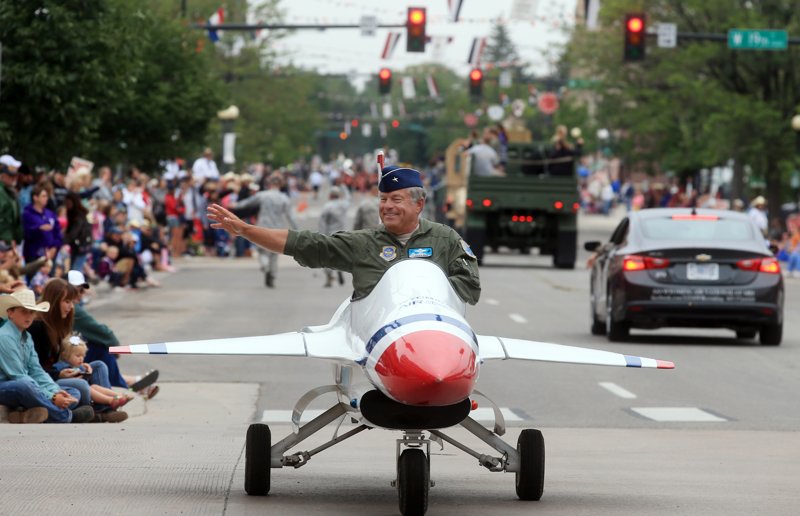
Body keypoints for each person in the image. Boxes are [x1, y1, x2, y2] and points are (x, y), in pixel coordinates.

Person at [208, 165, 481, 305]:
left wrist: (424, 294)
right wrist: (246, 230)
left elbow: (470, 287)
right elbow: (304, 243)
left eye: (396, 199)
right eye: (383, 199)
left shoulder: (445, 239)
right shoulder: (364, 242)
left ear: (418, 204)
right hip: (380, 338)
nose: (387, 207)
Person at [0, 289, 95, 423]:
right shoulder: (4, 337)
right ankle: (66, 416)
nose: (28, 316)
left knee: (73, 393)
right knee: (24, 385)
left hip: (26, 387)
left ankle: (25, 413)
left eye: (32, 312)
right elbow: (18, 375)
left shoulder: (27, 337)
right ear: (10, 312)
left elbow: (37, 370)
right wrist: (52, 397)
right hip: (7, 386)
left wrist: (56, 392)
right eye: (24, 311)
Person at [68, 270, 160, 398]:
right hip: (60, 360)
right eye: (77, 290)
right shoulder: (72, 308)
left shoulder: (69, 306)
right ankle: (126, 386)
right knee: (101, 348)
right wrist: (114, 346)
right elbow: (100, 330)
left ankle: (129, 382)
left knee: (98, 350)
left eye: (82, 291)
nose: (80, 295)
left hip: (65, 354)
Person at [230, 172, 298, 288]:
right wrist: (296, 230)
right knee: (275, 253)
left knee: (262, 250)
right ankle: (272, 274)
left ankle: (265, 266)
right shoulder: (284, 198)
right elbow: (290, 216)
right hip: (277, 228)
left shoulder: (263, 195)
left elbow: (248, 203)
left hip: (263, 225)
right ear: (281, 184)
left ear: (269, 183)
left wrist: (235, 205)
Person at [53, 334, 133, 414]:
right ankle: (110, 401)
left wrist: (87, 371)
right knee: (89, 387)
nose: (81, 359)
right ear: (64, 355)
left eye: (83, 356)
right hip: (69, 390)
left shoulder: (77, 366)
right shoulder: (61, 366)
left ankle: (118, 396)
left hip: (85, 389)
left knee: (94, 386)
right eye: (78, 356)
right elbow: (57, 377)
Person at [22, 184, 62, 267]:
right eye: (43, 196)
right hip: (34, 254)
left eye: (47, 196)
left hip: (50, 254)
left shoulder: (50, 214)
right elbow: (26, 232)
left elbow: (57, 231)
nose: (46, 198)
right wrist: (39, 229)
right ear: (35, 197)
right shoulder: (27, 214)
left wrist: (55, 247)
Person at [319, 186, 351, 287]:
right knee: (340, 255)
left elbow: (322, 222)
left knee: (327, 257)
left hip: (330, 234)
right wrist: (344, 188)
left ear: (330, 196)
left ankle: (329, 278)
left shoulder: (327, 206)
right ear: (339, 196)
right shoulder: (344, 204)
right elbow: (349, 198)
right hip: (342, 234)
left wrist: (321, 235)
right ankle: (340, 270)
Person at [0, 155, 24, 248]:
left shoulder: (9, 192)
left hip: (8, 243)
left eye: (15, 175)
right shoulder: (2, 193)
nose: (14, 178)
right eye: (11, 175)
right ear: (2, 175)